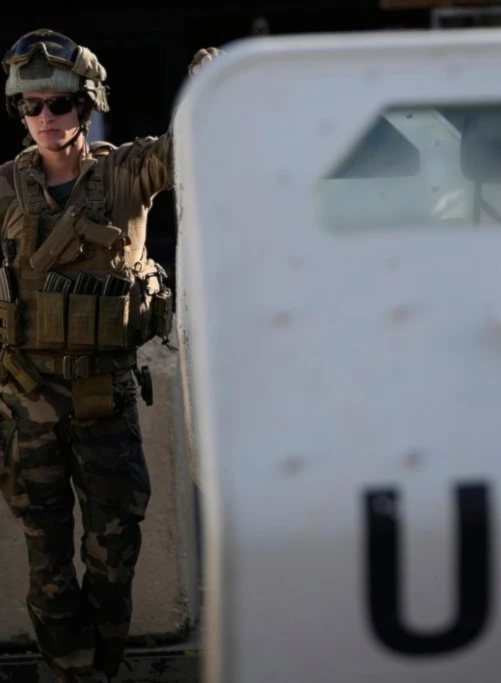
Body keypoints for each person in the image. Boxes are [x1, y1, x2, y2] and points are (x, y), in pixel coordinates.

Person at [0, 29, 218, 683]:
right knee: (46, 560)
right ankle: (74, 672)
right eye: (31, 105)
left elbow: (193, 152)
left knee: (113, 551)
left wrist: (211, 91)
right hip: (27, 399)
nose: (44, 118)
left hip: (103, 397)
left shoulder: (125, 172)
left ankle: (103, 663)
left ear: (86, 104)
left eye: (59, 104)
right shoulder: (7, 186)